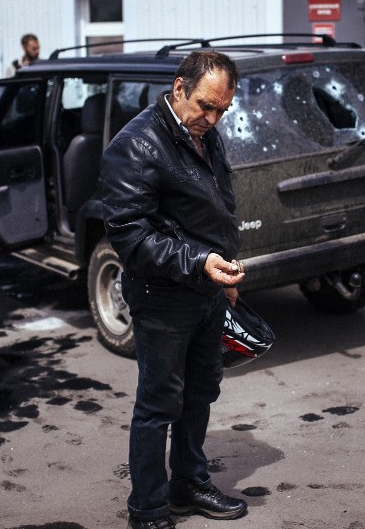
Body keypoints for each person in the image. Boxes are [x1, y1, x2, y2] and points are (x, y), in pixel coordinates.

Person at [98, 51, 248, 529]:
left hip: (204, 289)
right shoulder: (135, 146)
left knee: (201, 393)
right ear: (179, 88)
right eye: (206, 105)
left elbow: (217, 206)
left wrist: (221, 272)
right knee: (158, 404)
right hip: (162, 297)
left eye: (223, 110)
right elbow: (130, 236)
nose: (213, 118)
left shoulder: (204, 132)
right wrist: (199, 262)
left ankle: (188, 485)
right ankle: (146, 508)